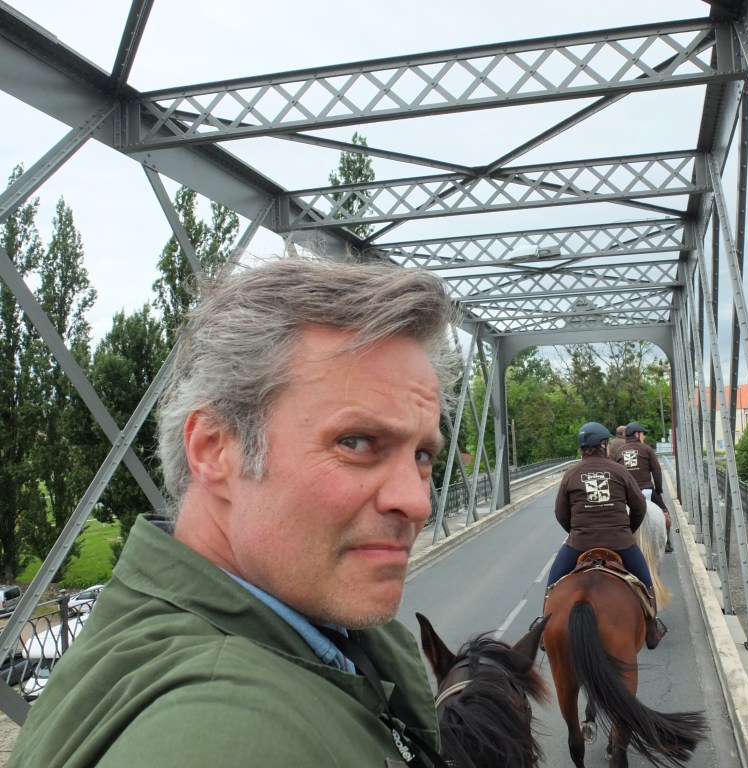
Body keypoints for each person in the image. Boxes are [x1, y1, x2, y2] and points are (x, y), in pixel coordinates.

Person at [9, 258, 461, 768]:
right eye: (356, 442)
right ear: (213, 450)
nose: (417, 501)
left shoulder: (152, 632)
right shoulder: (222, 738)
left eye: (422, 455)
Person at [543, 421, 666, 649]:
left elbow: (560, 514)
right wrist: (627, 531)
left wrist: (578, 533)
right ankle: (652, 628)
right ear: (602, 444)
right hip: (620, 544)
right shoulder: (619, 471)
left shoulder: (571, 474)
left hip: (579, 545)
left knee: (552, 585)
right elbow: (640, 507)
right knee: (646, 582)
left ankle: (544, 628)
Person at [617, 421, 674, 553]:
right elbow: (657, 471)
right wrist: (659, 490)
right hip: (646, 490)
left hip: (626, 494)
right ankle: (667, 544)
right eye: (643, 434)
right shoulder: (647, 449)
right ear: (636, 434)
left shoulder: (619, 451)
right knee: (666, 516)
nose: (644, 437)